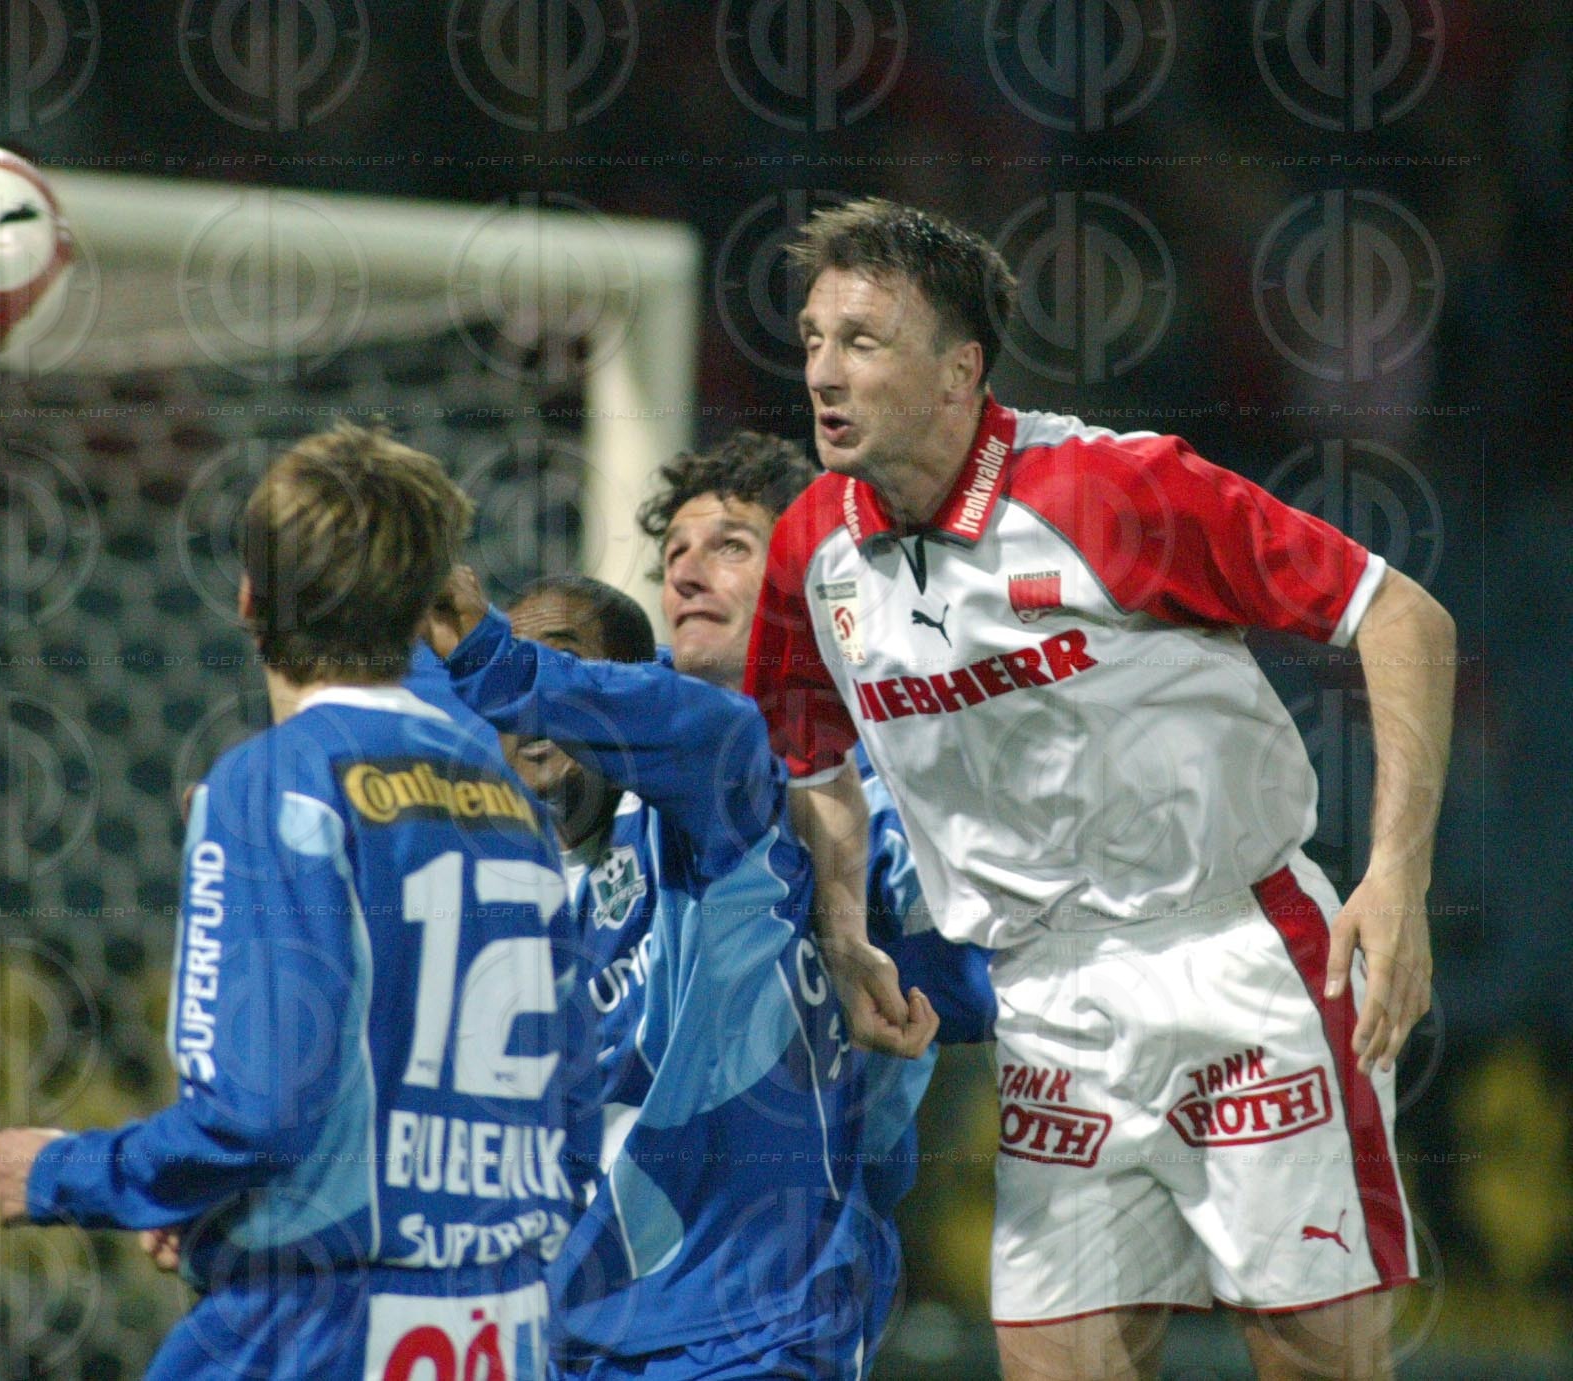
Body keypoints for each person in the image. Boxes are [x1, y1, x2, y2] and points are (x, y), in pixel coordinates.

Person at [742, 200, 1456, 1380]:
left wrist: (1398, 877)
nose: (822, 370)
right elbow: (809, 760)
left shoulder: (1114, 490)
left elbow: (1402, 617)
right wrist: (846, 927)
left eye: (862, 342)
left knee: (1314, 1362)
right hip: (1048, 1001)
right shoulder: (811, 550)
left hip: (1243, 962)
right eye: (812, 338)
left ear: (959, 370)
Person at [0, 424, 594, 1380]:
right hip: (500, 1323)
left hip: (315, 1325)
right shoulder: (509, 801)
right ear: (420, 607)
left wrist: (66, 1174)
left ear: (249, 601)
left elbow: (257, 1115)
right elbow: (570, 1100)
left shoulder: (274, 784)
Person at [427, 568, 927, 1380]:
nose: (531, 705)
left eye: (561, 667)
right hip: (573, 1334)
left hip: (751, 1324)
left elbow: (703, 728)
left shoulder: (714, 809)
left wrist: (498, 656)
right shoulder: (482, 891)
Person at [639, 430, 996, 1048]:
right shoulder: (623, 761)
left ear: (796, 577)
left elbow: (980, 993)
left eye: (729, 547)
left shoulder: (891, 783)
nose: (687, 576)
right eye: (674, 554)